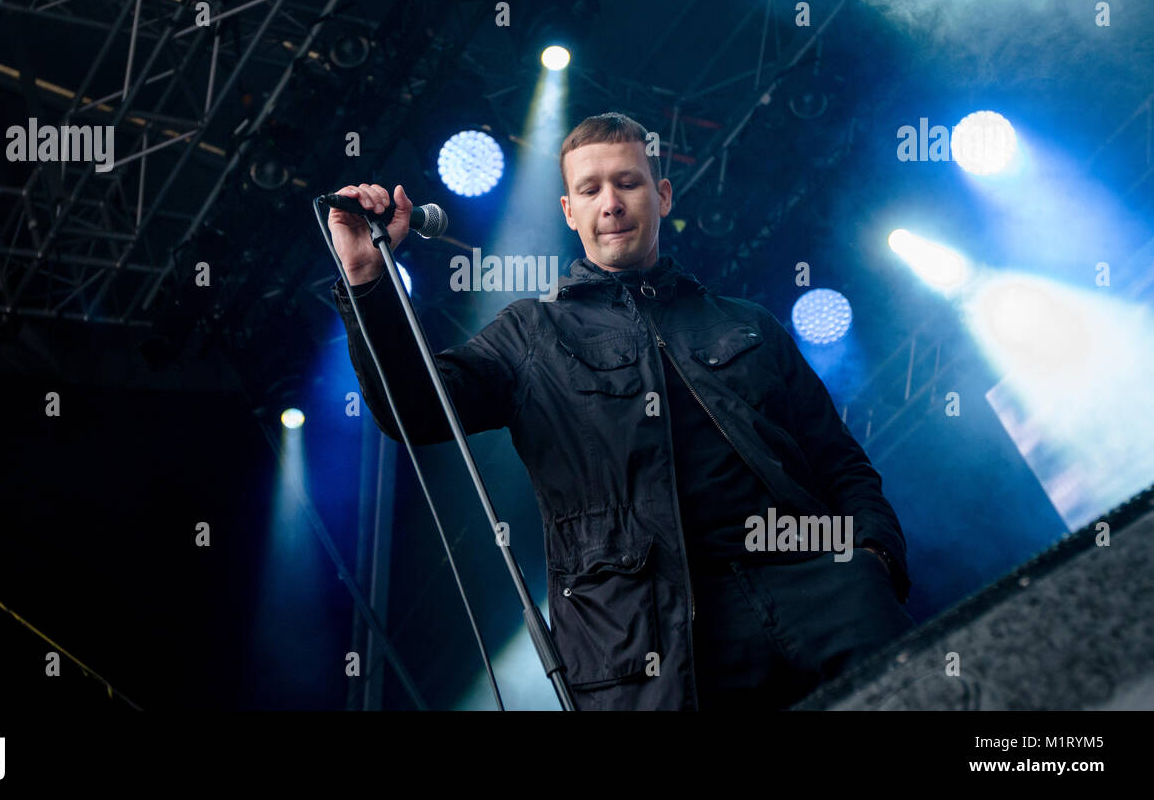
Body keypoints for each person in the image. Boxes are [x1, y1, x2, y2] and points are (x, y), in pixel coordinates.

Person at [328, 112, 915, 710]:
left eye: (628, 183)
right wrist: (366, 279)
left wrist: (873, 562)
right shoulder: (532, 332)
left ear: (661, 195)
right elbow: (415, 411)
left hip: (818, 593)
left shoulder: (747, 323)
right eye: (590, 189)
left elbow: (841, 463)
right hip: (647, 640)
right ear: (569, 211)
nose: (611, 203)